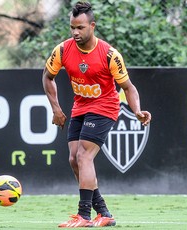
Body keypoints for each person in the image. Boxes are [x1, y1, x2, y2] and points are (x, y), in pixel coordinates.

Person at [42, 1, 151, 228]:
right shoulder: (62, 50)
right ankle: (103, 212)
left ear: (92, 26)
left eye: (80, 27)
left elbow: (128, 87)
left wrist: (137, 111)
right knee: (74, 159)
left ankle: (84, 216)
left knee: (84, 156)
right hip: (80, 106)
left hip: (105, 106)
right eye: (72, 27)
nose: (75, 32)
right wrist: (56, 108)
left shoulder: (110, 55)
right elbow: (47, 76)